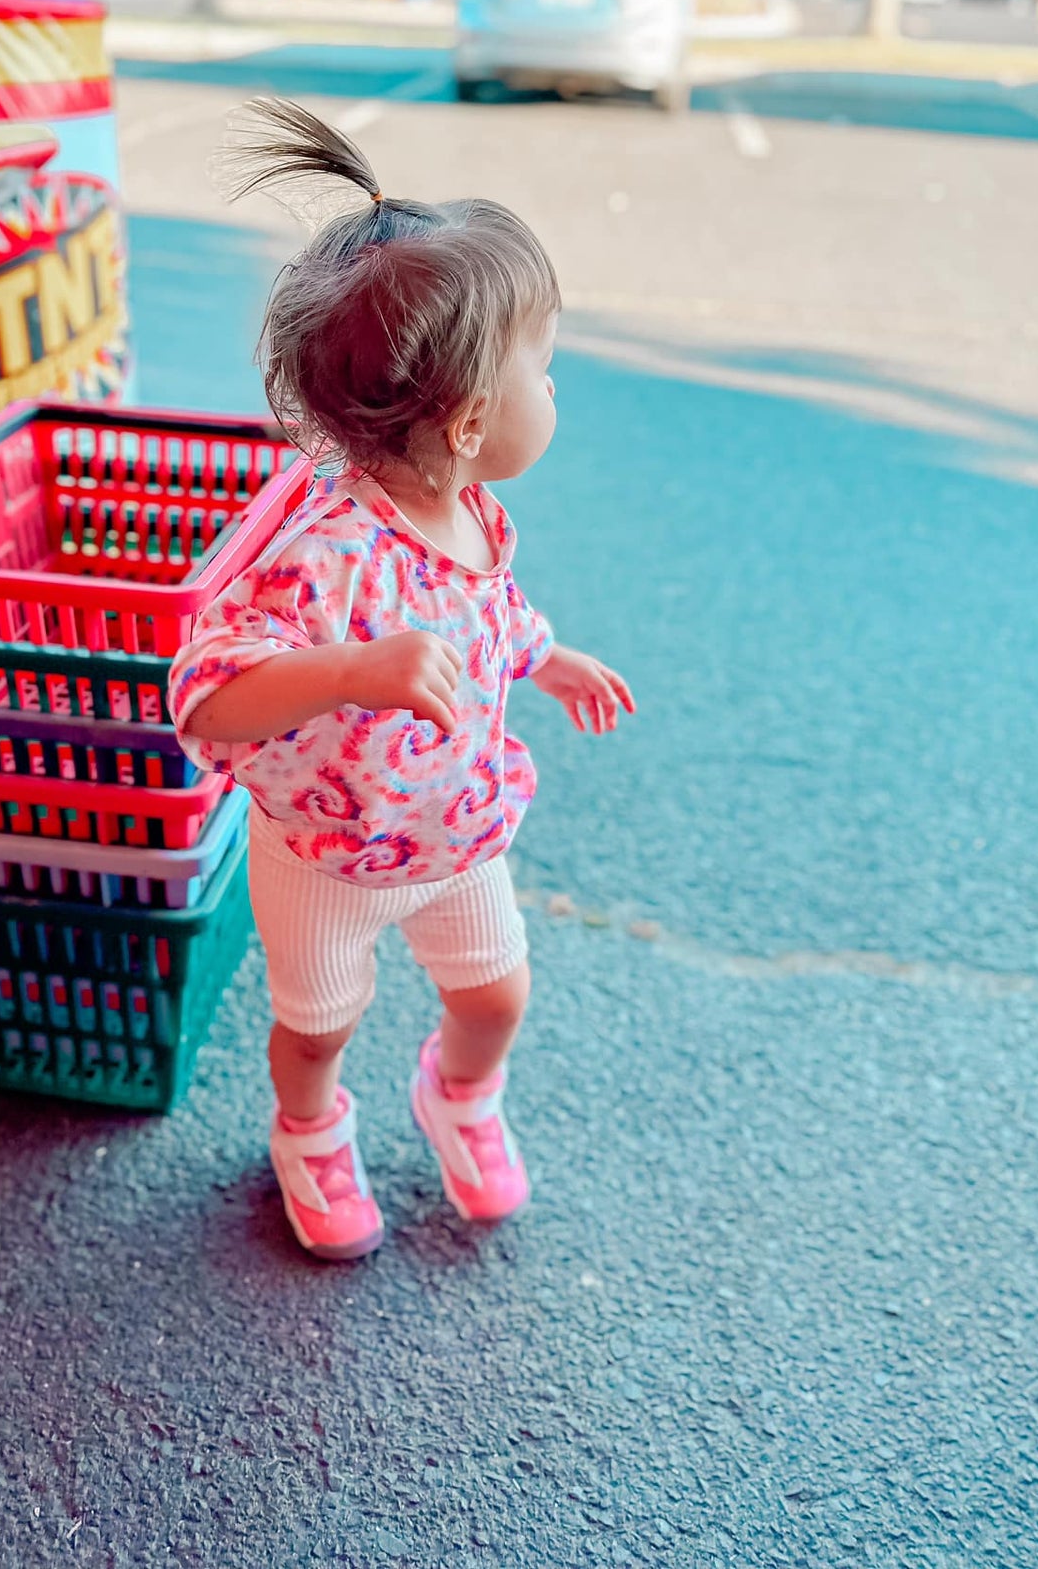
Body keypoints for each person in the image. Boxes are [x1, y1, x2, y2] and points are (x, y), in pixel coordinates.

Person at [169, 99, 634, 1260]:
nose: (556, 389)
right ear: (473, 418)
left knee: (494, 998)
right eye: (547, 366)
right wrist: (346, 671)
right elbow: (205, 700)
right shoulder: (324, 553)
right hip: (326, 856)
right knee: (318, 1025)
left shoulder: (470, 509)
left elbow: (481, 614)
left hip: (455, 835)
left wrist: (542, 653)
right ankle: (309, 1126)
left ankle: (460, 1097)